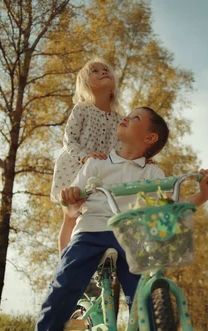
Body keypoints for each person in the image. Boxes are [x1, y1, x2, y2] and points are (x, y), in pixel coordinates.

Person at [0, 107, 208, 331]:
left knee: (144, 299)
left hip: (133, 235)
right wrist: (70, 198)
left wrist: (201, 195)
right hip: (91, 230)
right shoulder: (96, 165)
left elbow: (164, 213)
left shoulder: (153, 172)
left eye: (136, 118)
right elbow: (72, 206)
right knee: (59, 293)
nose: (126, 117)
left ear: (149, 137)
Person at [50, 57, 123, 254]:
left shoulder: (120, 120)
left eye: (106, 70)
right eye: (96, 71)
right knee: (71, 215)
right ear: (85, 84)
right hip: (74, 166)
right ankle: (64, 263)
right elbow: (69, 140)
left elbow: (123, 149)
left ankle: (98, 262)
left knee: (96, 216)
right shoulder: (81, 109)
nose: (103, 72)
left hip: (100, 174)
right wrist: (84, 156)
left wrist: (145, 156)